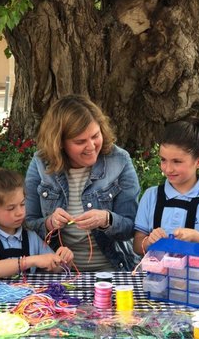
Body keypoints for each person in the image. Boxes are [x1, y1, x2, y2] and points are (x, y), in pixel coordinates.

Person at [25, 94, 141, 272]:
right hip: (59, 272)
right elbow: (27, 224)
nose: (91, 146)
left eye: (95, 135)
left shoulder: (120, 160)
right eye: (80, 141)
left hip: (113, 269)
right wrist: (49, 223)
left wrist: (107, 220)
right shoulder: (41, 163)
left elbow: (132, 227)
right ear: (60, 143)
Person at [133, 117, 199, 255]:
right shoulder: (151, 196)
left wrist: (196, 237)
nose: (168, 169)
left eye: (177, 162)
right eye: (163, 160)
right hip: (153, 276)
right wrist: (149, 241)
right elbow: (137, 245)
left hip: (197, 276)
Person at [0, 168, 73, 278]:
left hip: (28, 295)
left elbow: (55, 268)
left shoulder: (30, 237)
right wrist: (32, 260)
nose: (20, 213)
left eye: (22, 204)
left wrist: (64, 260)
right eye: (11, 208)